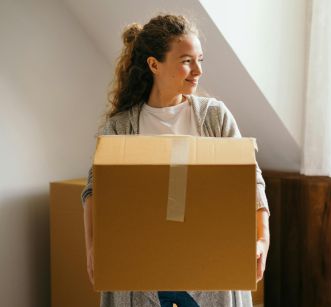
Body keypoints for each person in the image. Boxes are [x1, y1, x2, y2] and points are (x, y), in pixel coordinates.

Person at [81, 14, 270, 307]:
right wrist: (93, 247)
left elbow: (250, 179)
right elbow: (95, 189)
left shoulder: (214, 117)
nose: (197, 71)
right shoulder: (122, 127)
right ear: (154, 65)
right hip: (143, 278)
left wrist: (262, 238)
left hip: (210, 276)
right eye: (186, 61)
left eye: (200, 60)